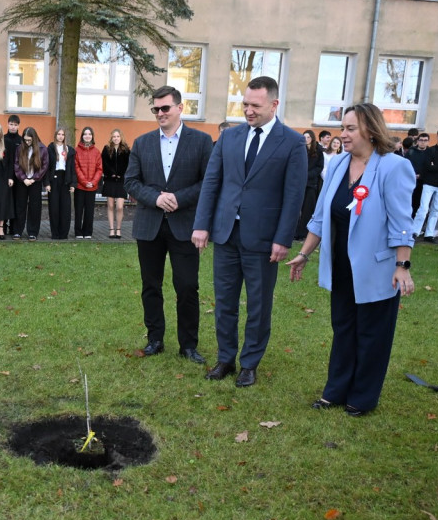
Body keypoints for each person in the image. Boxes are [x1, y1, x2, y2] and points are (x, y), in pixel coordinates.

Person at [286, 103, 415, 416]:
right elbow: (319, 217)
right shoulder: (339, 163)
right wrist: (304, 254)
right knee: (343, 329)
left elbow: (402, 222)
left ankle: (362, 397)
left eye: (350, 129)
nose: (342, 135)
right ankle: (335, 392)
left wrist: (402, 266)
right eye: (342, 128)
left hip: (377, 268)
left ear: (370, 130)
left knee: (372, 335)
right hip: (342, 266)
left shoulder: (392, 166)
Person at [192, 76, 308, 386]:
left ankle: (250, 363)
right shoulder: (229, 138)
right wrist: (202, 224)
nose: (248, 110)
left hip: (264, 240)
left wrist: (283, 239)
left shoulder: (293, 142)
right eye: (245, 104)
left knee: (259, 305)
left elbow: (293, 195)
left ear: (274, 104)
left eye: (255, 105)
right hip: (226, 235)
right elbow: (212, 183)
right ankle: (225, 359)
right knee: (224, 302)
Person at [126, 85, 214, 364]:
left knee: (187, 286)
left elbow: (209, 183)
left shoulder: (201, 141)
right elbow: (131, 181)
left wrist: (179, 197)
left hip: (185, 224)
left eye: (165, 108)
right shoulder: (141, 143)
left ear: (180, 107)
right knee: (150, 285)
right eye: (156, 109)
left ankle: (188, 345)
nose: (160, 113)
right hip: (149, 225)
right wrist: (156, 198)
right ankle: (155, 339)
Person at [411, 127, 438, 242]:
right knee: (423, 208)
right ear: (437, 136)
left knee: (437, 209)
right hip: (429, 183)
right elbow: (428, 166)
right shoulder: (430, 151)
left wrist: (436, 166)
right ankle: (415, 231)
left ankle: (429, 234)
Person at [14, 126, 49, 241]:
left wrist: (34, 178)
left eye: (29, 140)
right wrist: (24, 178)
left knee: (35, 207)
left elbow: (44, 166)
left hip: (35, 182)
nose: (27, 142)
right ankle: (18, 231)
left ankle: (32, 232)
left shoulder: (42, 148)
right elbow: (16, 165)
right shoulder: (20, 148)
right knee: (20, 206)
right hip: (22, 181)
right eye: (25, 140)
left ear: (34, 138)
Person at [45, 127, 76, 240]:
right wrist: (47, 182)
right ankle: (55, 233)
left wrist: (73, 184)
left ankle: (64, 234)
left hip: (65, 180)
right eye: (59, 134)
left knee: (65, 208)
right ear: (55, 135)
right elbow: (47, 166)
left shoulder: (69, 150)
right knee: (54, 207)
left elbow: (72, 168)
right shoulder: (50, 148)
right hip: (54, 179)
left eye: (62, 134)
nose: (60, 136)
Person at [74, 126, 102, 239]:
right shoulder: (76, 150)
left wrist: (93, 182)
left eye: (89, 134)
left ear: (92, 136)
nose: (87, 136)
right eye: (85, 134)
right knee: (79, 210)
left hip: (92, 187)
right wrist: (84, 182)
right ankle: (78, 232)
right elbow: (76, 167)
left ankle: (88, 232)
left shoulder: (96, 151)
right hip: (80, 186)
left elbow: (99, 169)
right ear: (82, 136)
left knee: (89, 211)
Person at [101, 128, 130, 239]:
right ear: (111, 138)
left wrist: (121, 173)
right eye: (114, 136)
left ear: (121, 137)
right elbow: (104, 163)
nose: (116, 138)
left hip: (121, 181)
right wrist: (111, 173)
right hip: (110, 180)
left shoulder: (126, 149)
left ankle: (119, 228)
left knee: (119, 207)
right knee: (111, 205)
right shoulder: (107, 149)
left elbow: (128, 164)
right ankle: (112, 229)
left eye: (118, 136)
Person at [296, 129, 324, 241]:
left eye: (308, 137)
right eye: (304, 137)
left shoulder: (318, 150)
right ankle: (295, 232)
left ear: (312, 138)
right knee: (297, 209)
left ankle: (303, 233)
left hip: (311, 184)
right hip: (299, 184)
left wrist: (308, 175)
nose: (306, 139)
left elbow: (319, 166)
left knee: (308, 210)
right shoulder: (299, 149)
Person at [4, 115, 24, 237]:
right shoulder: (3, 139)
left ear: (18, 126)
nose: (13, 126)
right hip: (5, 176)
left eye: (15, 125)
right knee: (5, 201)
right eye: (11, 124)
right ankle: (3, 226)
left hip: (18, 177)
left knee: (17, 203)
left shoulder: (21, 140)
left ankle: (14, 228)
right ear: (7, 124)